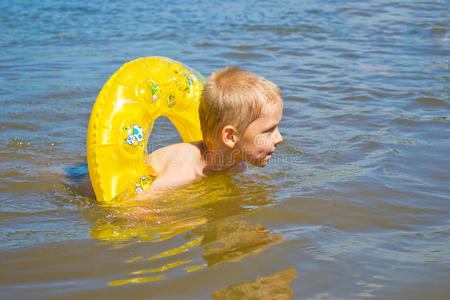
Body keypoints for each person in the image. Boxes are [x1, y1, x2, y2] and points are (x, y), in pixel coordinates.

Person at [135, 66, 283, 199]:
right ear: (230, 137)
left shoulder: (236, 164)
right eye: (269, 130)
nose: (279, 138)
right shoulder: (184, 169)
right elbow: (137, 207)